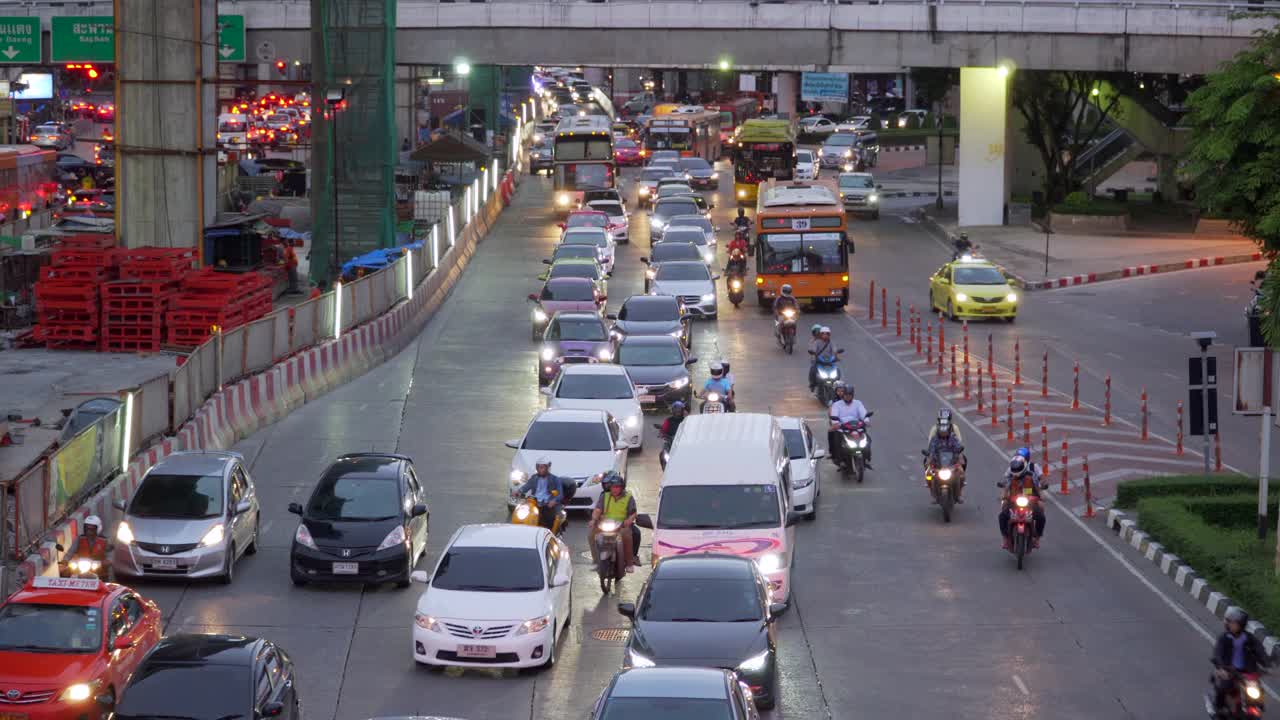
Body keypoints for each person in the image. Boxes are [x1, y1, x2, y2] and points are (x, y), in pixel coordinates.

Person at [1209, 608, 1270, 714]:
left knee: (1259, 690)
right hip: (1229, 671)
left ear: (1240, 625)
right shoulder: (1224, 638)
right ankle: (1217, 709)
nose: (1228, 624)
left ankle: (1257, 707)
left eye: (1231, 622)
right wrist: (1221, 667)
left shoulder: (1249, 639)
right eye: (1228, 621)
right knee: (1223, 688)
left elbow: (1260, 651)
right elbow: (1218, 653)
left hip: (1248, 672)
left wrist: (1268, 665)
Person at [590, 472, 640, 573]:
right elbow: (598, 509)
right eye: (613, 487)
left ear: (622, 487)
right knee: (591, 534)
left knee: (627, 535)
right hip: (605, 524)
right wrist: (594, 520)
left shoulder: (628, 497)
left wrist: (628, 521)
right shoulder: (605, 496)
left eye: (617, 487)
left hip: (621, 525)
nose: (615, 489)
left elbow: (633, 513)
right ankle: (595, 561)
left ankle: (629, 563)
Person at [997, 453, 1046, 548]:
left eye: (1017, 468)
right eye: (1014, 468)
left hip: (1030, 502)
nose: (1015, 470)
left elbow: (1038, 487)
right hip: (1013, 502)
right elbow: (1005, 488)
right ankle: (1005, 539)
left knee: (1041, 517)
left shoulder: (1031, 476)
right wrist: (1003, 496)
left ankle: (1037, 539)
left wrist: (1041, 496)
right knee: (1002, 516)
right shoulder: (1010, 477)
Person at [923, 409, 966, 502]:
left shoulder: (953, 435)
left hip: (951, 460)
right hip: (938, 460)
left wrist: (960, 456)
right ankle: (932, 490)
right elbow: (931, 447)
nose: (943, 431)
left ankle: (959, 493)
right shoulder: (935, 437)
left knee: (961, 473)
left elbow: (959, 445)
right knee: (928, 473)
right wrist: (929, 459)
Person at [828, 383, 871, 468]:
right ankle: (840, 460)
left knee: (868, 440)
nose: (848, 397)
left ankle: (867, 457)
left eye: (850, 395)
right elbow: (834, 415)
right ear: (843, 395)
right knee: (837, 443)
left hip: (857, 428)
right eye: (846, 395)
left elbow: (863, 413)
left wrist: (866, 420)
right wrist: (835, 424)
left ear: (852, 395)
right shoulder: (837, 405)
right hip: (843, 429)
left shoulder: (858, 403)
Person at [517, 457, 566, 531]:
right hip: (534, 502)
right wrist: (519, 491)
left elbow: (560, 494)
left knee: (549, 520)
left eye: (542, 467)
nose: (540, 469)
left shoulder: (555, 479)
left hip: (547, 504)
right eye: (538, 467)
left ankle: (548, 534)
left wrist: (554, 500)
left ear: (548, 468)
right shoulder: (534, 478)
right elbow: (526, 486)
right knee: (524, 514)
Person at [808, 326, 839, 392]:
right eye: (823, 334)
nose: (825, 335)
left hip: (829, 361)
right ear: (821, 334)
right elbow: (814, 350)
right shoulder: (817, 342)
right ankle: (812, 384)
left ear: (829, 335)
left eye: (827, 334)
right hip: (819, 361)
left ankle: (837, 384)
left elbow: (834, 350)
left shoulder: (831, 342)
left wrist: (836, 356)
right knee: (812, 369)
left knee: (838, 371)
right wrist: (814, 356)